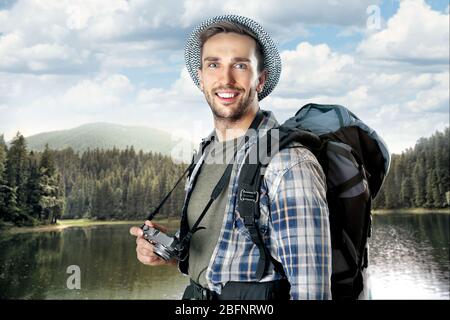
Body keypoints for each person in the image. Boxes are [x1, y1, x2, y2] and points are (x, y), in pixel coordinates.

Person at [130, 15, 331, 300]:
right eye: (214, 64)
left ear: (260, 79)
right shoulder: (206, 152)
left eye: (240, 65)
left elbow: (313, 291)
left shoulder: (288, 163)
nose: (226, 79)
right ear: (200, 77)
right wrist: (170, 252)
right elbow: (226, 258)